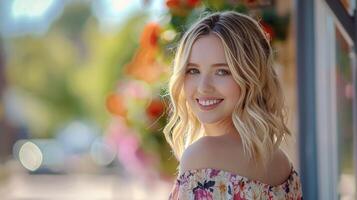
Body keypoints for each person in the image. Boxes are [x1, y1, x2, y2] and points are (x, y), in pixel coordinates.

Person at [163, 11, 303, 199]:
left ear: (250, 77)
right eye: (193, 70)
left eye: (222, 72)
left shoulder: (202, 156)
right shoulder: (281, 163)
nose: (203, 87)